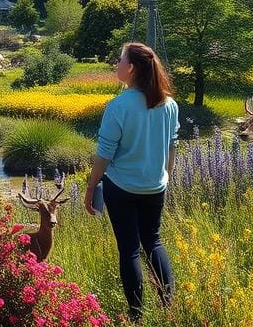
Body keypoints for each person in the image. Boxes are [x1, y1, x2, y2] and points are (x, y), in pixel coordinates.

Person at [84, 41, 178, 322]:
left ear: (132, 68)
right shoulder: (169, 104)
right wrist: (166, 177)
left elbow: (104, 155)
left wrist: (90, 188)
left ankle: (136, 315)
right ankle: (168, 304)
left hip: (122, 187)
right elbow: (172, 146)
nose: (117, 64)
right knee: (153, 241)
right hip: (155, 185)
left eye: (120, 60)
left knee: (129, 250)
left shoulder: (118, 106)